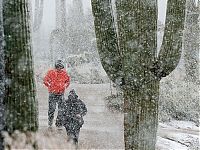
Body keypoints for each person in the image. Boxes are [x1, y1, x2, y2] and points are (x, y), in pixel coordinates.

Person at [43, 60, 70, 128]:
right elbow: (45, 80)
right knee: (52, 109)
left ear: (62, 66)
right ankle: (50, 122)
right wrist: (49, 85)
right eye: (58, 66)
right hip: (52, 93)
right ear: (55, 66)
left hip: (61, 93)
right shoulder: (51, 72)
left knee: (61, 109)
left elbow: (68, 81)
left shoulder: (65, 73)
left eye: (60, 66)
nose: (59, 68)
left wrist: (65, 86)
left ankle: (59, 123)